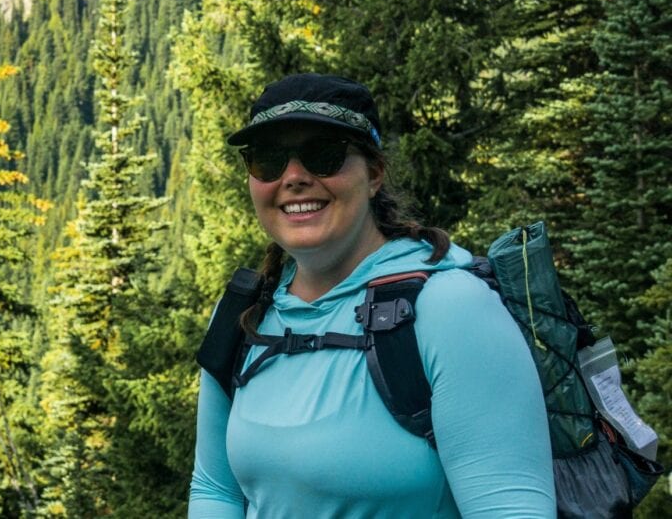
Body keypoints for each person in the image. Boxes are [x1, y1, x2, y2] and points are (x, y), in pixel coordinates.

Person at [188, 74, 555, 518]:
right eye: (267, 160)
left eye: (325, 155)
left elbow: (511, 508)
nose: (294, 177)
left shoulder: (450, 308)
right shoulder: (243, 316)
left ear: (375, 173)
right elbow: (214, 489)